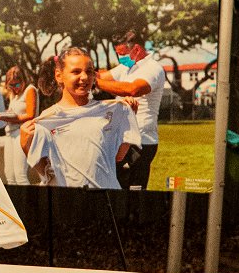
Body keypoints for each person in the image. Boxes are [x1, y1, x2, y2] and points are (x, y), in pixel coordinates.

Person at [20, 48, 140, 189]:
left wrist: (128, 119)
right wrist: (25, 145)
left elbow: (118, 157)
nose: (84, 77)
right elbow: (46, 173)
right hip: (70, 199)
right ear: (59, 76)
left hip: (106, 196)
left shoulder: (108, 110)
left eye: (89, 71)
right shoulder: (48, 119)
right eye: (76, 72)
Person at [93, 31, 167, 190]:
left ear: (137, 49)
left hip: (141, 143)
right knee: (114, 186)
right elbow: (101, 76)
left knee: (134, 191)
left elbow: (132, 89)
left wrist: (95, 83)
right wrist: (81, 72)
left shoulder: (153, 69)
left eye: (122, 54)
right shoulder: (126, 67)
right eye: (118, 54)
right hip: (121, 139)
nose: (121, 58)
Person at [0, 65, 38, 185]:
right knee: (9, 174)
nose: (14, 88)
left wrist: (14, 118)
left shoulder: (30, 90)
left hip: (21, 133)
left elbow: (31, 114)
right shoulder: (13, 94)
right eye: (10, 85)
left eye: (16, 85)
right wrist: (7, 115)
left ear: (23, 81)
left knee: (20, 174)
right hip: (10, 133)